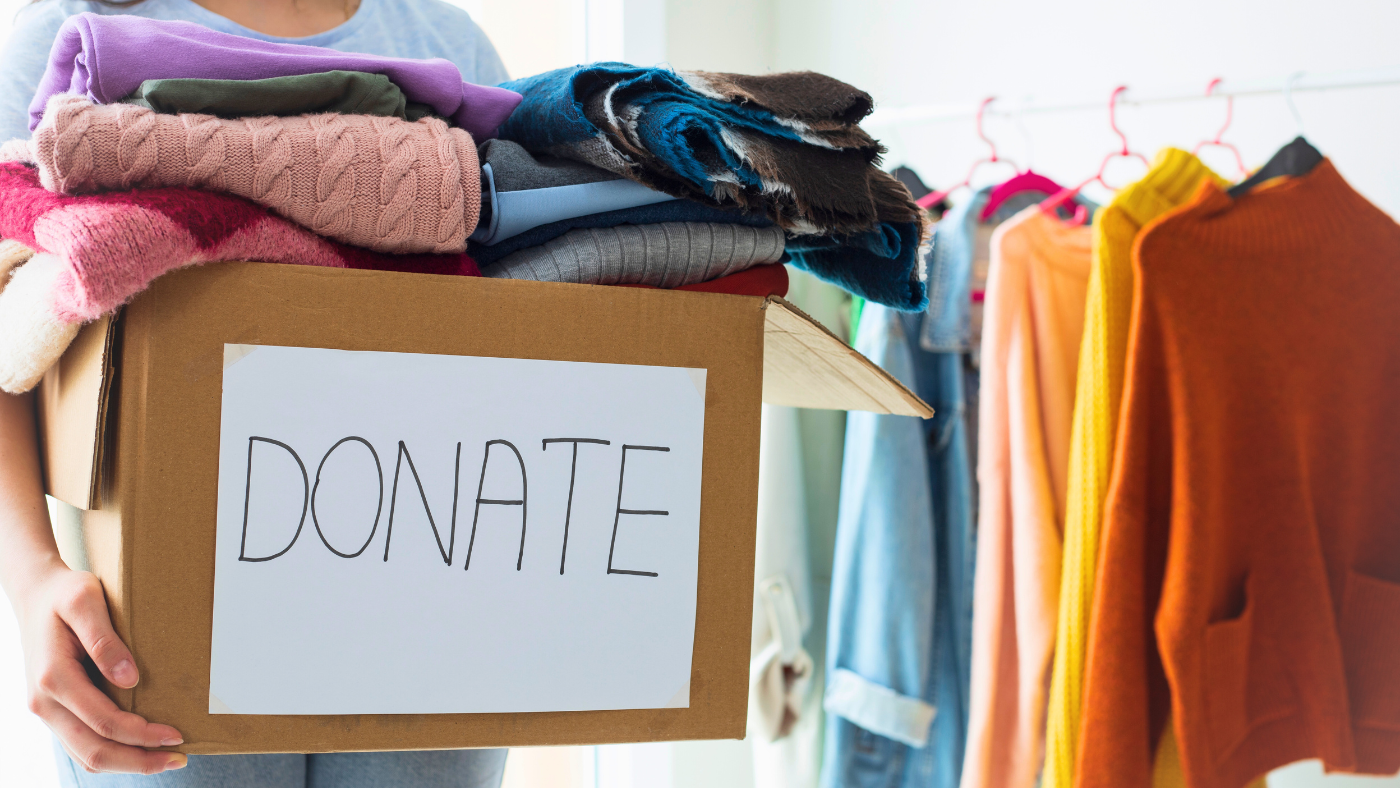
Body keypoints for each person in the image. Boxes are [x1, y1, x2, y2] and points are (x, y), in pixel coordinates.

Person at [0, 0, 511, 783]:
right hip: (153, 599)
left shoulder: (448, 49)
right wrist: (32, 579)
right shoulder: (74, 44)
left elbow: (528, 324)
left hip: (427, 578)